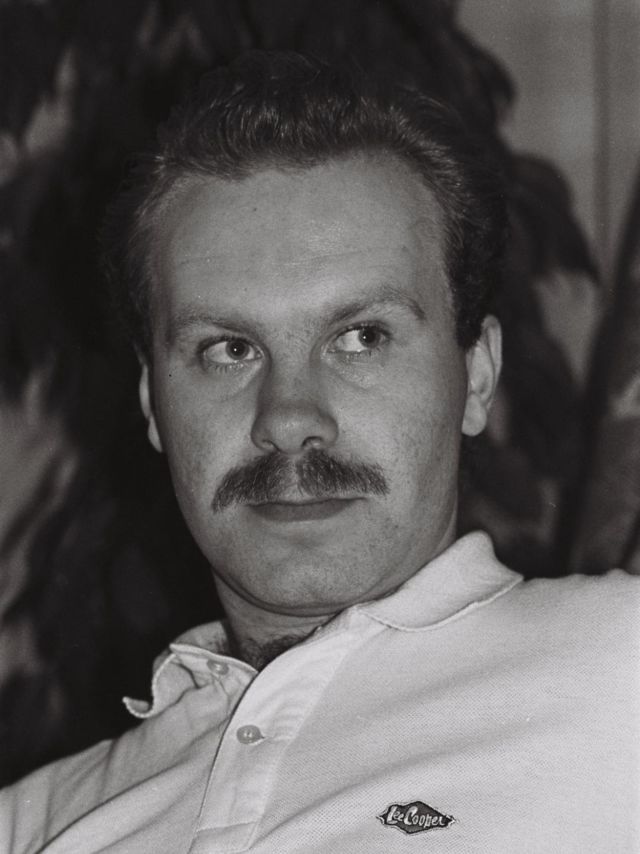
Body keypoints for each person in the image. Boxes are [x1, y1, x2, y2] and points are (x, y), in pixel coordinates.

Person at [1, 51, 638, 854]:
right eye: (229, 349)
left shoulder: (619, 672)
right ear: (152, 405)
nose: (290, 420)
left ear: (477, 376)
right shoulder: (35, 823)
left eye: (361, 337)